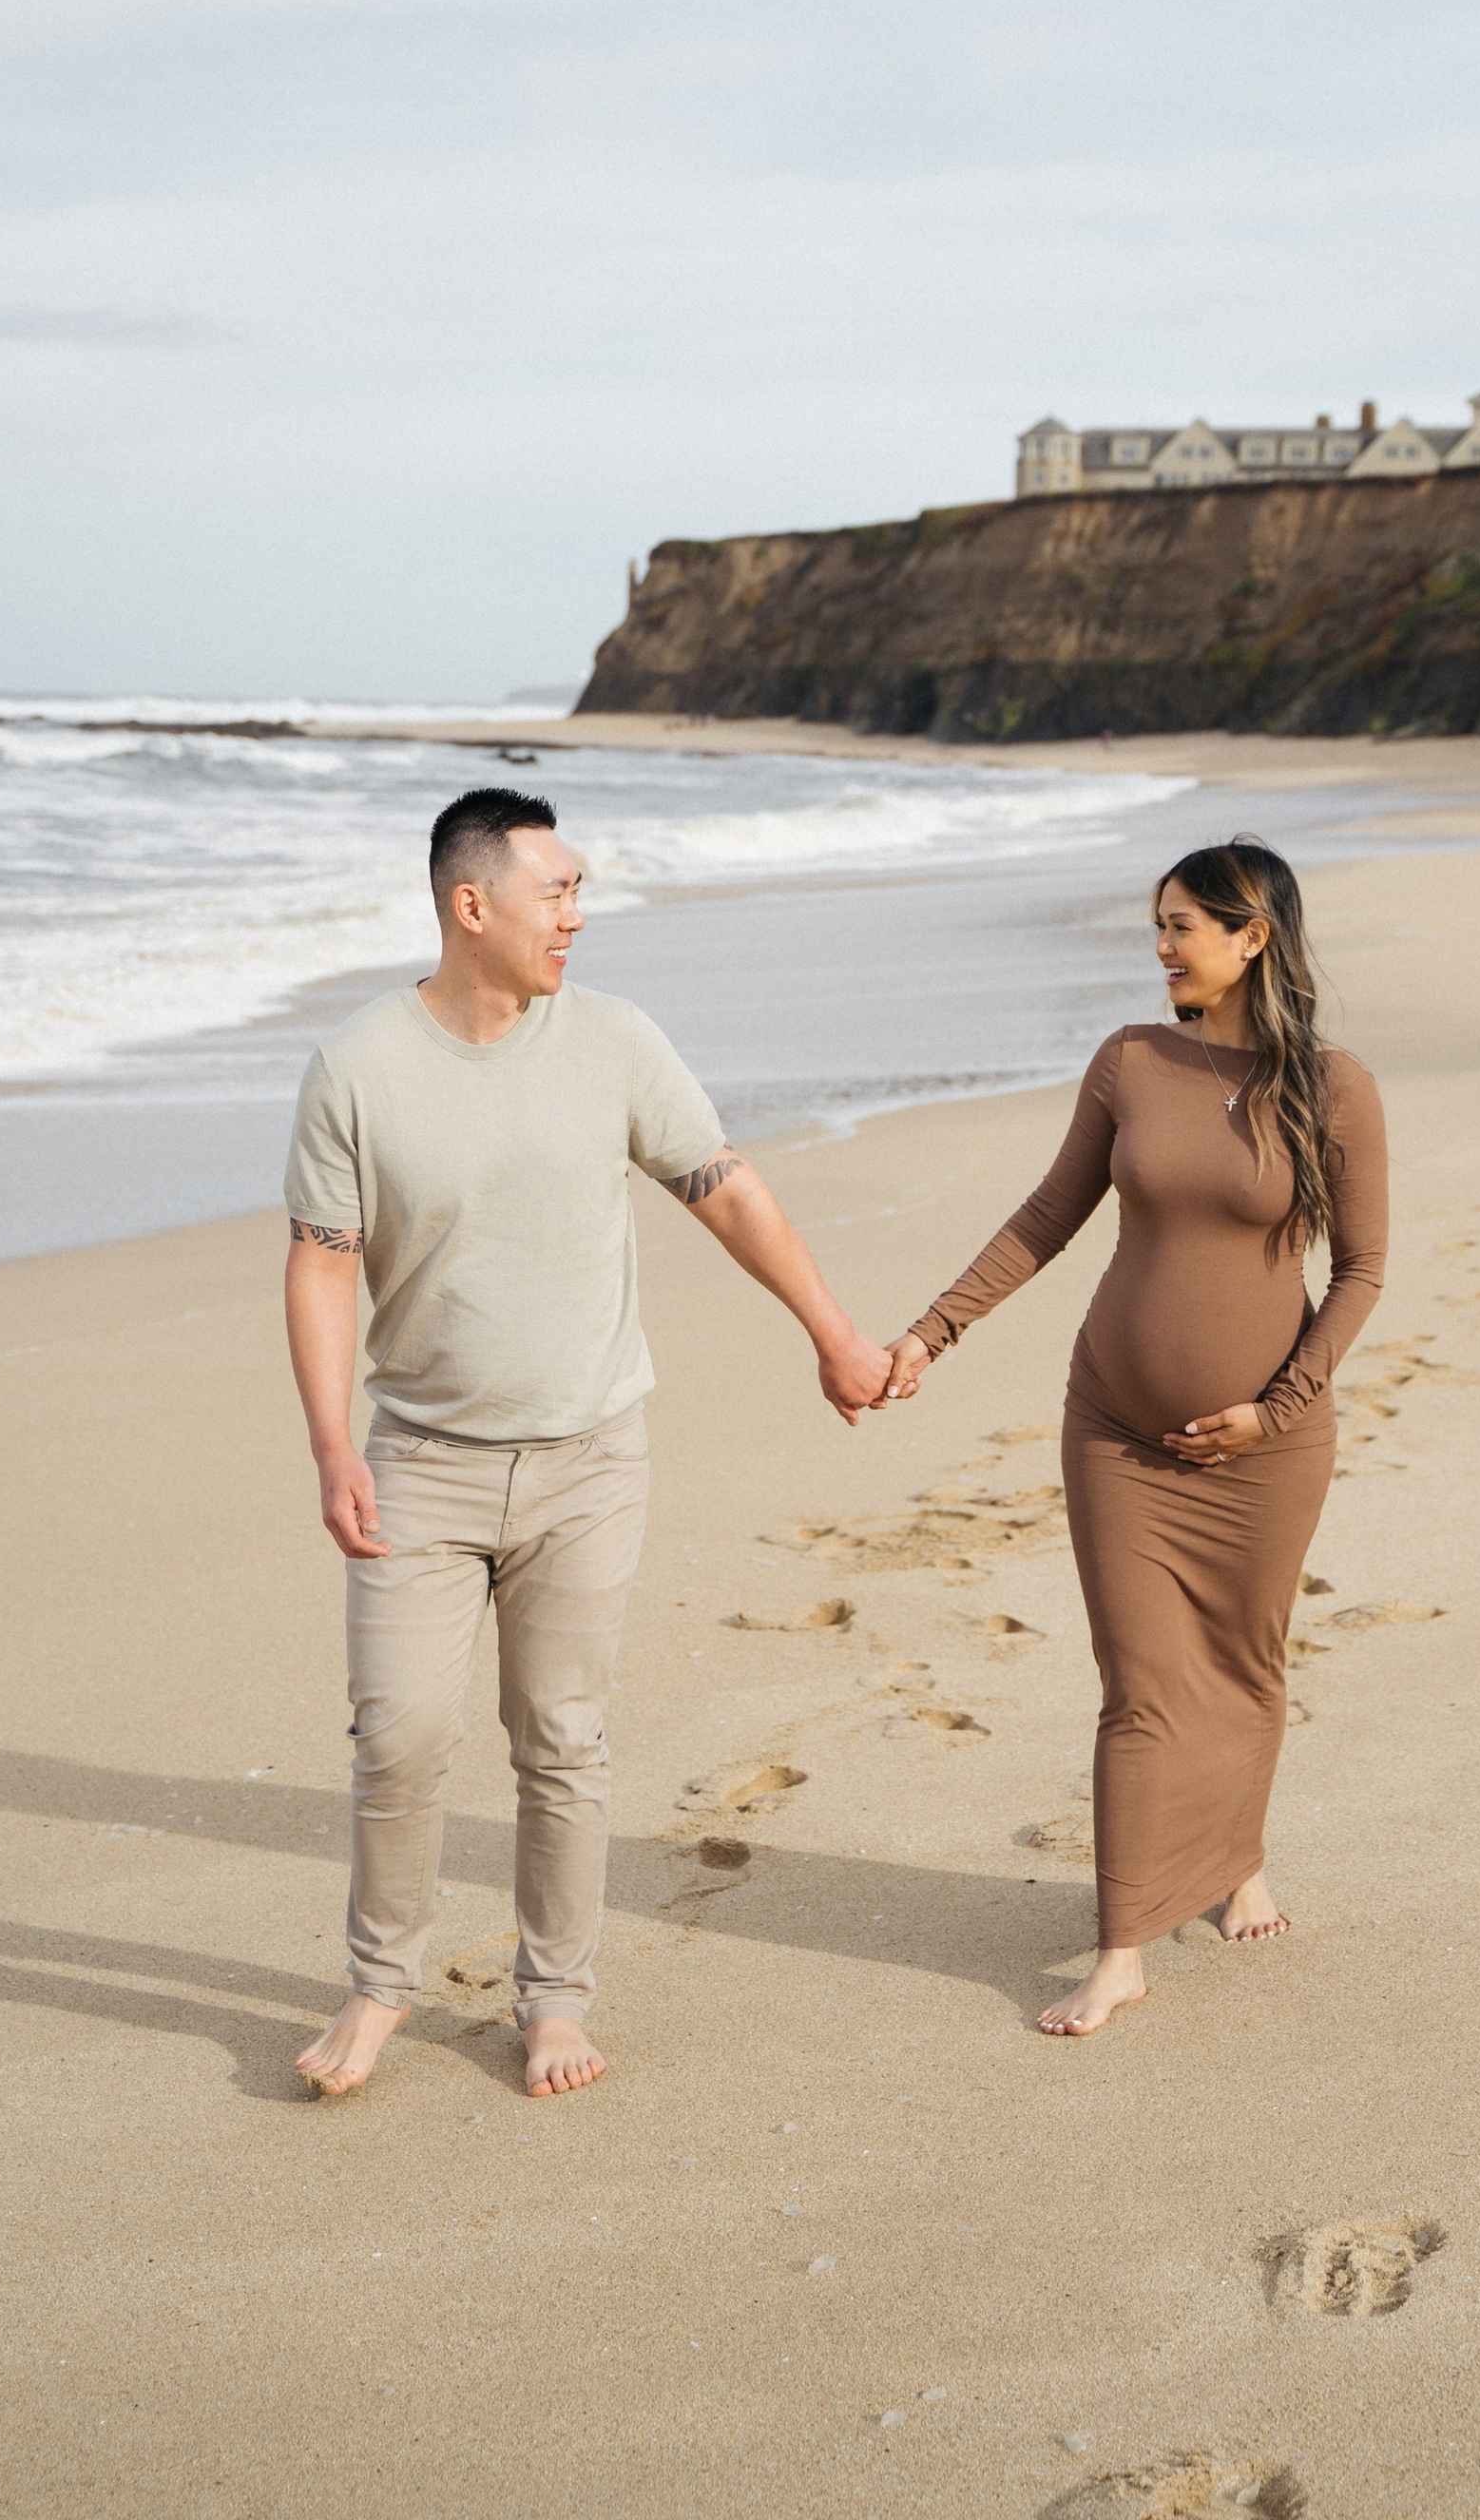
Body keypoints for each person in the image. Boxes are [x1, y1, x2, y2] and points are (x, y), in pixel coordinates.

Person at [282, 782, 891, 2102]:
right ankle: (379, 1987)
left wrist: (832, 1334)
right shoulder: (358, 1068)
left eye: (577, 893)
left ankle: (553, 2001)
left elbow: (724, 1194)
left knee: (559, 1737)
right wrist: (333, 1444)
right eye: (557, 893)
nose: (576, 917)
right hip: (421, 1465)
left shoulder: (615, 1042)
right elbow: (324, 1265)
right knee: (399, 1734)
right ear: (472, 904)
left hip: (589, 1461)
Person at [883, 837, 1388, 2037]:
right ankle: (1119, 1948)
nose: (1158, 947)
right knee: (1142, 1682)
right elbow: (1048, 1216)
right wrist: (928, 1334)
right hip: (1114, 1427)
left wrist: (1278, 1406)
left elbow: (1361, 1269)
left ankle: (1233, 1863)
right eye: (1155, 926)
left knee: (1243, 1659)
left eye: (1179, 927)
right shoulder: (1127, 1063)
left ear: (1250, 935)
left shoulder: (1332, 1083)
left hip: (1266, 1445)